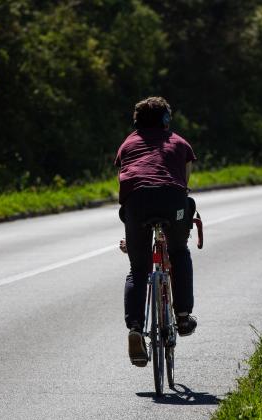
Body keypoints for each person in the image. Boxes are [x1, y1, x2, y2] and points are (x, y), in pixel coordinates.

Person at [114, 96, 198, 367]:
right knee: (178, 251)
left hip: (137, 204)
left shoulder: (127, 144)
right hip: (173, 201)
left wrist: (134, 236)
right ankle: (183, 316)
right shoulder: (179, 143)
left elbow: (126, 176)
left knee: (138, 269)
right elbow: (184, 183)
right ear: (165, 120)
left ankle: (136, 328)